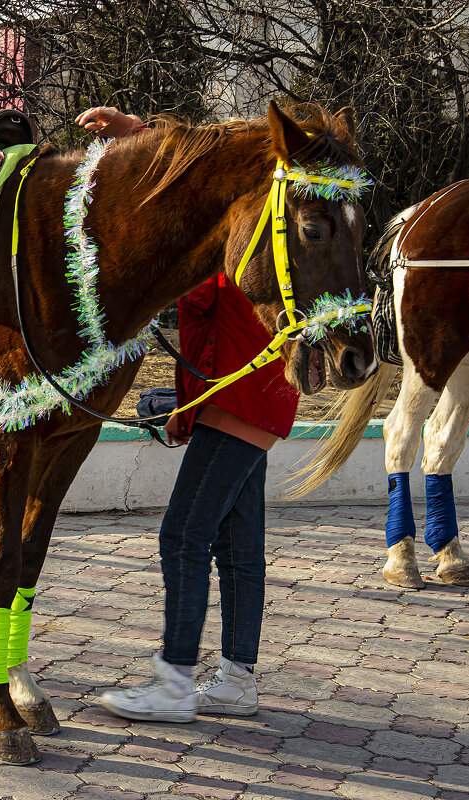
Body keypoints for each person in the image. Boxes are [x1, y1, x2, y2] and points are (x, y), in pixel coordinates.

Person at [77, 107, 301, 722]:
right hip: (249, 394)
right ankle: (237, 679)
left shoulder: (238, 238)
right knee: (237, 543)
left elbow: (191, 165)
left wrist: (133, 137)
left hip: (242, 391)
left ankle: (174, 684)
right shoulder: (237, 231)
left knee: (183, 534)